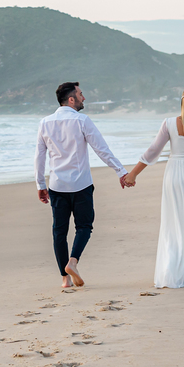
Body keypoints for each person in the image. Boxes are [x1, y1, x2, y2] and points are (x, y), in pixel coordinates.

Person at [35, 81, 130, 289]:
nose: (83, 97)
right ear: (71, 99)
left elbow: (39, 157)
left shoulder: (45, 123)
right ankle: (73, 262)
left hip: (57, 186)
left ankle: (64, 279)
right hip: (81, 185)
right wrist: (121, 171)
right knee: (84, 227)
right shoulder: (82, 121)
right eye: (80, 94)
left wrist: (40, 184)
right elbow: (101, 149)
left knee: (59, 231)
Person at [122, 86, 184, 288]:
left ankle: (173, 270)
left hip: (175, 173)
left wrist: (132, 174)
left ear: (181, 101)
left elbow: (152, 152)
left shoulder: (169, 124)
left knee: (174, 222)